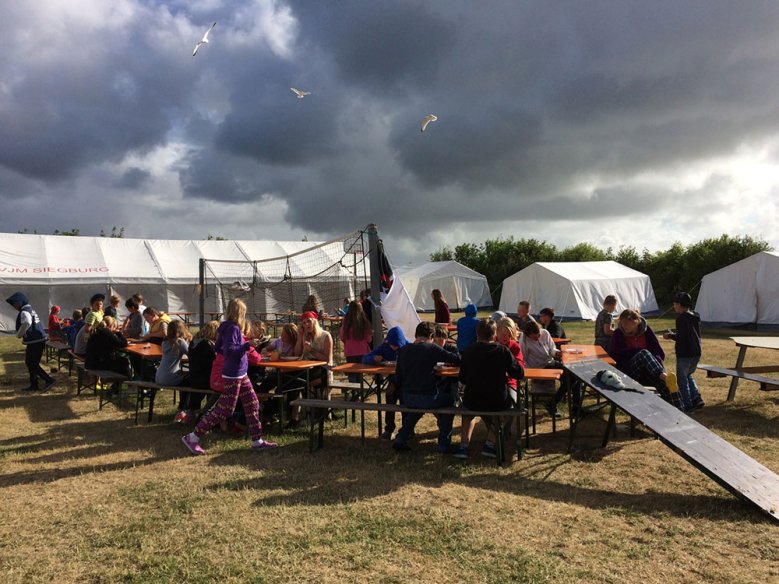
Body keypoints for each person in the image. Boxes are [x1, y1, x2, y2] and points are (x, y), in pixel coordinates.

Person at [181, 298, 277, 455]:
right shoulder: (233, 329)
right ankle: (193, 436)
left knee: (252, 402)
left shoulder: (226, 328)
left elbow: (219, 348)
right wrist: (247, 346)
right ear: (240, 313)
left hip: (240, 373)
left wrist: (237, 351)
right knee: (225, 409)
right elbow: (231, 351)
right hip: (233, 375)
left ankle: (256, 440)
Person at [455, 319, 524, 459]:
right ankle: (490, 442)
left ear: (477, 334)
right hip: (497, 400)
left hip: (473, 399)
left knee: (468, 414)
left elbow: (462, 378)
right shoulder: (503, 351)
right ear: (495, 335)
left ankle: (464, 445)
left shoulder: (469, 351)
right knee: (506, 411)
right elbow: (519, 373)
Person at [392, 321, 460, 453]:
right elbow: (456, 359)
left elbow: (398, 376)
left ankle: (401, 438)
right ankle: (443, 444)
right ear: (430, 335)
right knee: (450, 402)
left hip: (408, 397)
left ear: (416, 334)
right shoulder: (431, 349)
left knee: (417, 408)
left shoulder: (403, 350)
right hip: (428, 397)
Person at [609, 309, 681, 408]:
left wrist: (655, 363)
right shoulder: (618, 333)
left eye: (627, 324)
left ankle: (680, 413)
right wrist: (635, 351)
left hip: (649, 370)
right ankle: (663, 376)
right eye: (622, 323)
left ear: (636, 322)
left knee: (668, 386)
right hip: (629, 370)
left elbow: (659, 353)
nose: (624, 326)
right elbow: (615, 354)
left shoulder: (647, 332)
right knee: (643, 353)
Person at [286, 311, 333, 428]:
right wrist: (300, 337)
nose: (306, 324)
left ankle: (294, 417)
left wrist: (312, 350)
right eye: (304, 323)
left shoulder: (325, 336)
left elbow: (328, 359)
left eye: (309, 321)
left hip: (323, 370)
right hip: (307, 368)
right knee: (291, 379)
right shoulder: (305, 336)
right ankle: (293, 417)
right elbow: (297, 354)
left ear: (315, 321)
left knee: (294, 382)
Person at [362, 326, 408, 440]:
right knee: (390, 396)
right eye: (391, 344)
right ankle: (389, 429)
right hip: (392, 380)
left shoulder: (409, 347)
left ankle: (407, 429)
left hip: (407, 382)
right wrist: (373, 359)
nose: (393, 347)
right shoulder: (384, 347)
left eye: (396, 345)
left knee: (405, 400)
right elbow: (365, 358)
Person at [663, 292, 705, 413]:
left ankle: (687, 404)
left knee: (682, 379)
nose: (674, 306)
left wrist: (670, 335)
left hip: (685, 353)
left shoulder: (681, 319)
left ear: (680, 305)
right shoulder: (695, 316)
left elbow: (681, 337)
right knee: (688, 375)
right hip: (696, 352)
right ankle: (696, 398)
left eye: (675, 304)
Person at [6, 292, 55, 392]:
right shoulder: (29, 309)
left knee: (31, 363)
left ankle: (49, 380)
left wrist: (19, 334)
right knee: (31, 363)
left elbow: (27, 322)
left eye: (15, 304)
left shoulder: (24, 311)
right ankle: (34, 385)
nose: (14, 306)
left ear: (20, 302)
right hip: (37, 340)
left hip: (35, 341)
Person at [519, 321, 564, 417]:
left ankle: (574, 407)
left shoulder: (545, 333)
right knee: (570, 379)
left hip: (550, 363)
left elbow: (552, 349)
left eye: (538, 335)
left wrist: (557, 353)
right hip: (537, 368)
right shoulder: (524, 340)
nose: (537, 338)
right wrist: (529, 373)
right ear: (528, 335)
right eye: (534, 337)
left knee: (573, 377)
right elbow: (523, 359)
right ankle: (552, 404)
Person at [181, 321, 219, 423]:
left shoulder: (194, 342)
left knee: (199, 386)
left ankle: (191, 411)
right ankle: (206, 414)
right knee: (218, 387)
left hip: (194, 377)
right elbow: (214, 363)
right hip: (205, 379)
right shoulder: (207, 345)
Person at [156, 320, 192, 415]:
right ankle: (183, 409)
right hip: (170, 378)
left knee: (184, 379)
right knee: (189, 381)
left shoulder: (165, 342)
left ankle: (182, 408)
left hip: (159, 377)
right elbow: (192, 356)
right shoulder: (180, 342)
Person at [339, 300, 372, 381]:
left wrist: (348, 343)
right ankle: (360, 390)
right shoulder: (364, 322)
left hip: (350, 352)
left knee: (352, 374)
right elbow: (369, 339)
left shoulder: (346, 323)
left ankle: (354, 391)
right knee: (360, 373)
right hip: (362, 351)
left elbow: (342, 336)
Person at [496, 317, 525, 404]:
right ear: (497, 332)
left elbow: (520, 366)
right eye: (504, 334)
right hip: (492, 381)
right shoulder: (492, 344)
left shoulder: (514, 346)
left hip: (510, 382)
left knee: (512, 403)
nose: (507, 337)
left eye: (509, 335)